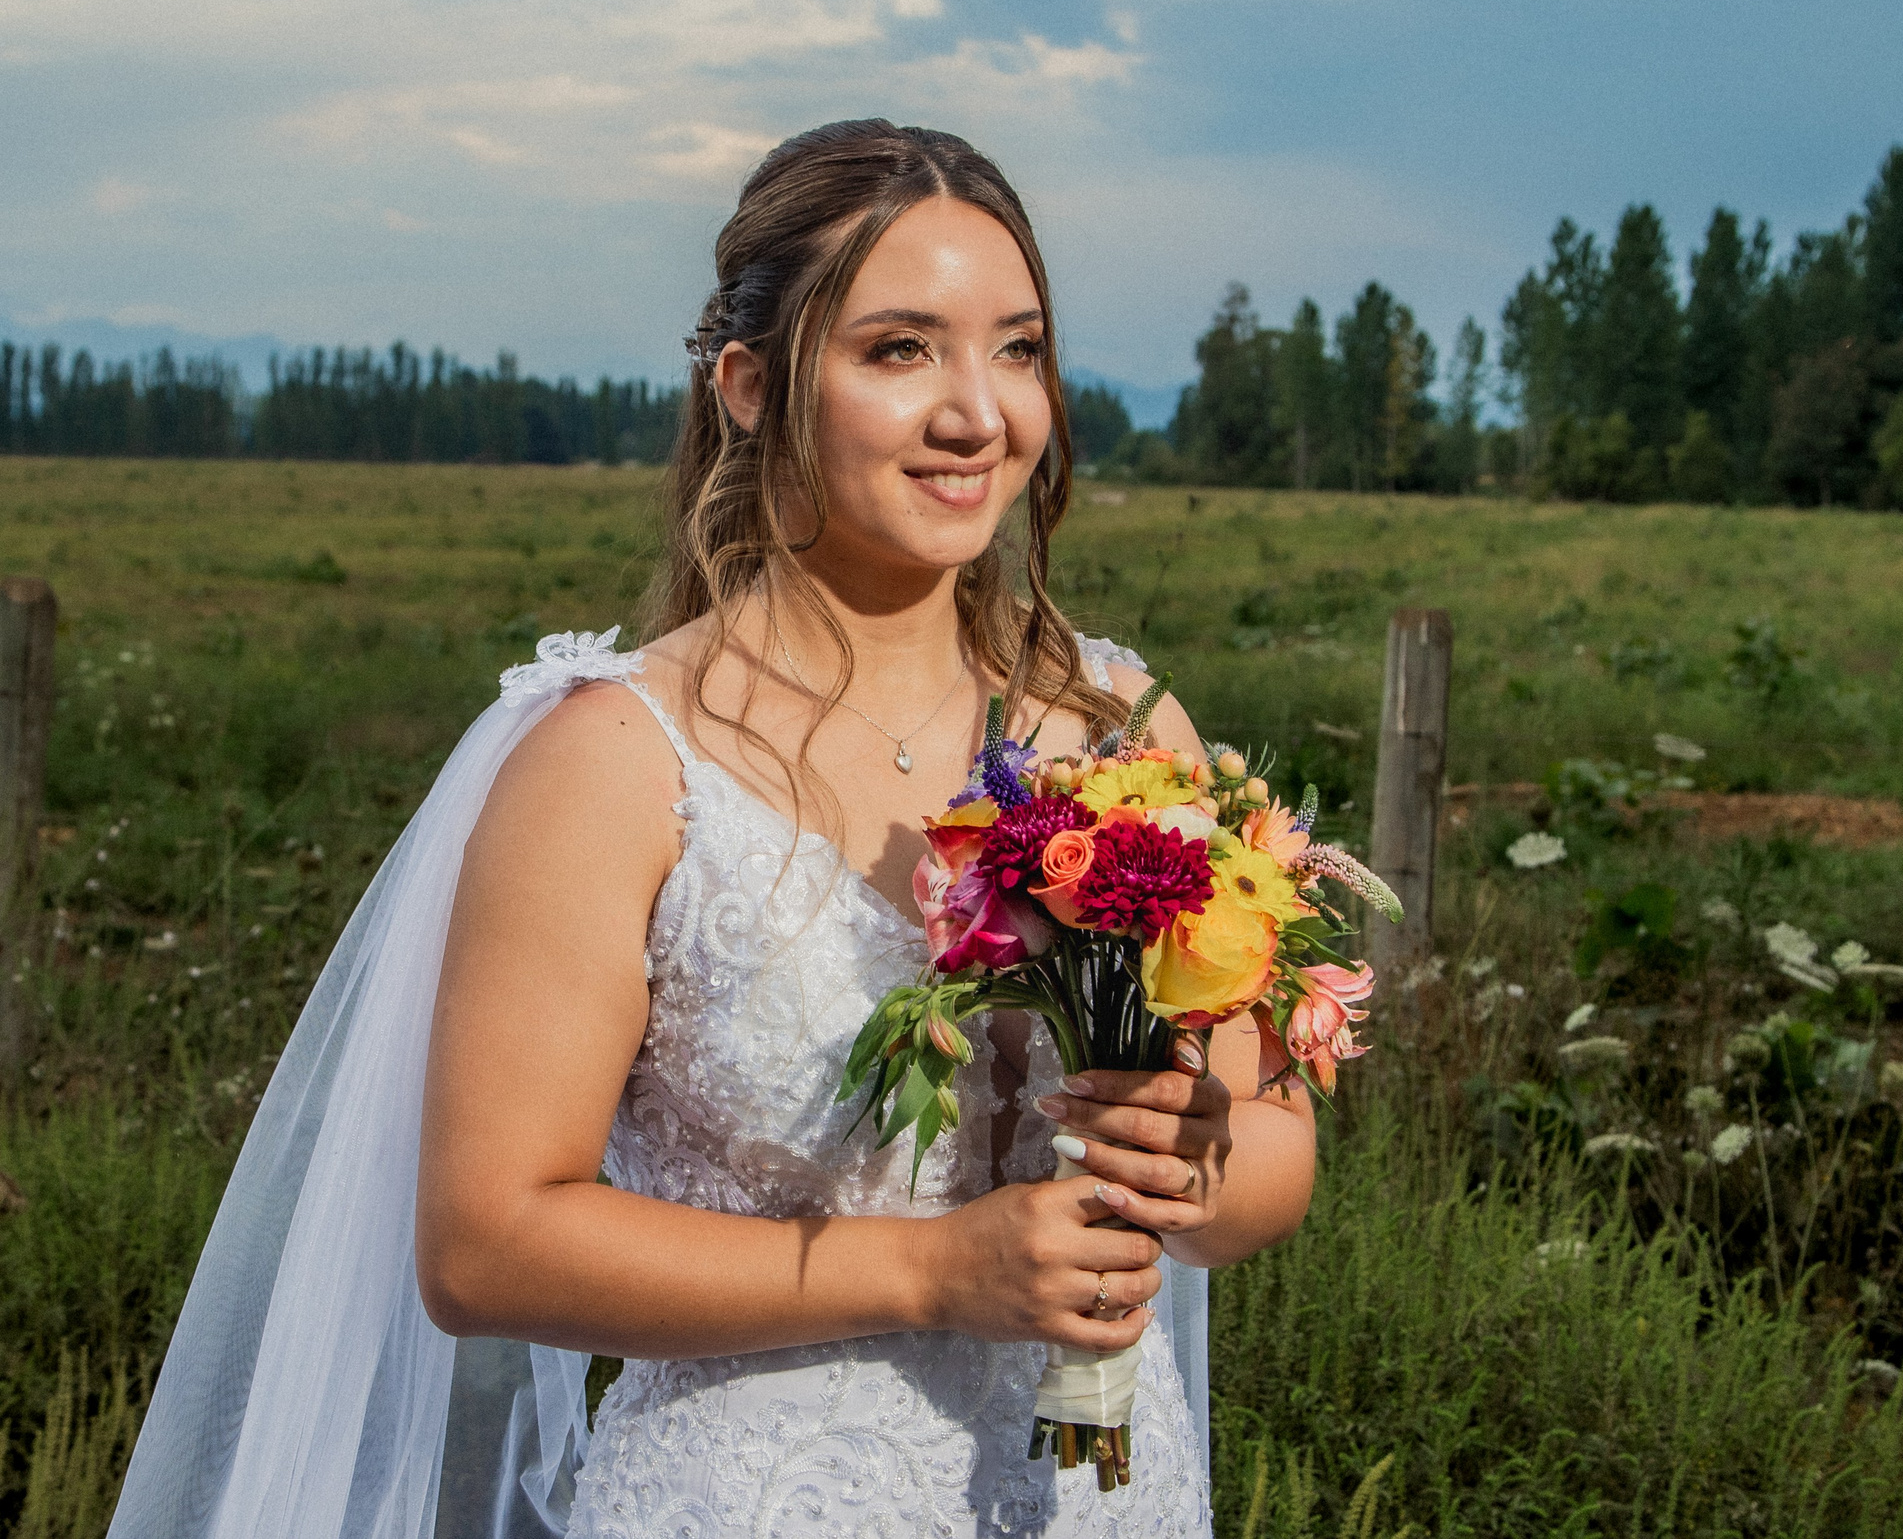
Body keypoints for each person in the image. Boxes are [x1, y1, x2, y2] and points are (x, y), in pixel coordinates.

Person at [107, 122, 1312, 1539]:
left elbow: (1265, 1162)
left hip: (1105, 1502)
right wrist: (933, 1274)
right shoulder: (615, 761)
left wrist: (1196, 1163)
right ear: (749, 387)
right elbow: (483, 1243)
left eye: (1018, 350)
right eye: (899, 349)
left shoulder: (1123, 730)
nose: (979, 414)